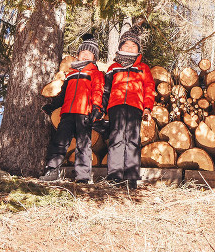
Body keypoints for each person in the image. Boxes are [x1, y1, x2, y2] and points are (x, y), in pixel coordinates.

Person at [39, 34, 104, 183]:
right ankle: (52, 171)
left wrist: (97, 107)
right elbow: (62, 95)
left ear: (94, 58)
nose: (85, 55)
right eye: (83, 52)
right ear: (78, 55)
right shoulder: (71, 74)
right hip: (67, 112)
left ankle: (83, 176)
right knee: (60, 141)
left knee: (83, 144)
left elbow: (98, 91)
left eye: (89, 53)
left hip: (85, 113)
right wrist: (53, 107)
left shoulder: (96, 74)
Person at [104, 26, 155, 189]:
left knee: (132, 140)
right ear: (120, 47)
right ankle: (114, 176)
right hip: (116, 106)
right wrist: (103, 109)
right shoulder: (113, 67)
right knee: (116, 138)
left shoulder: (143, 67)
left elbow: (149, 87)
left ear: (138, 49)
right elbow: (106, 89)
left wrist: (147, 107)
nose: (129, 48)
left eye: (133, 46)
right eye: (126, 45)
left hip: (135, 106)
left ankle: (131, 176)